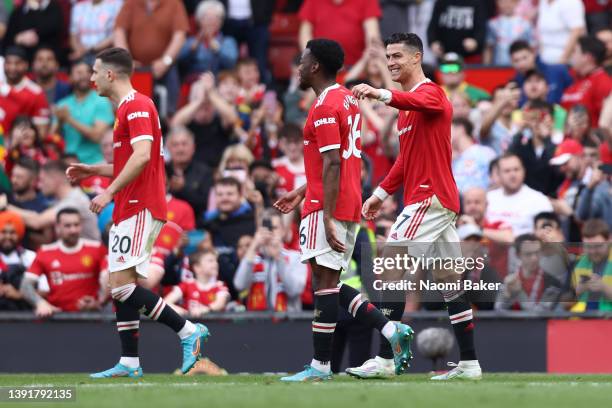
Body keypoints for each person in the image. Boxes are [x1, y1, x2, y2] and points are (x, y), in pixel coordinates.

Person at [274, 38, 412, 382]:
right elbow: (338, 160)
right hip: (345, 199)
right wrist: (301, 190)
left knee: (323, 283)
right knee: (329, 282)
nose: (299, 67)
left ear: (316, 66)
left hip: (329, 204)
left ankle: (320, 367)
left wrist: (325, 213)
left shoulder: (323, 106)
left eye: (303, 61)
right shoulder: (348, 99)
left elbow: (333, 162)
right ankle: (390, 330)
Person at [65, 47, 208, 378]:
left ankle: (188, 331)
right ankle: (129, 362)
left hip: (139, 204)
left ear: (110, 74)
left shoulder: (138, 106)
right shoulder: (126, 109)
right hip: (129, 204)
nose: (91, 78)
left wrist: (109, 190)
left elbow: (143, 156)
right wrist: (94, 171)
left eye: (95, 72)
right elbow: (130, 159)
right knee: (122, 285)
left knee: (121, 287)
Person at [351, 32, 481, 381]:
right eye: (388, 56)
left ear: (416, 57)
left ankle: (386, 359)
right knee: (450, 281)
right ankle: (469, 364)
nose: (391, 62)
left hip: (430, 197)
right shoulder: (408, 110)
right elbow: (404, 162)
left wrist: (378, 93)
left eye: (397, 56)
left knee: (390, 265)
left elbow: (419, 101)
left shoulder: (432, 93)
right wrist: (378, 195)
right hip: (433, 199)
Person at [19, 208, 108, 316]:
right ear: (57, 227)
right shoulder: (45, 252)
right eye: (67, 226)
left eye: (76, 225)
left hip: (90, 317)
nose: (73, 230)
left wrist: (99, 302)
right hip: (57, 318)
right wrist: (40, 303)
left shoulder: (97, 249)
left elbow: (109, 280)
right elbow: (25, 286)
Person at [114, 0, 189, 116]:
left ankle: (170, 121)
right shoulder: (131, 3)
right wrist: (126, 59)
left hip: (164, 66)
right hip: (134, 66)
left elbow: (180, 35)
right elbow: (119, 31)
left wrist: (166, 61)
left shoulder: (174, 4)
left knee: (171, 87)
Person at [8, 160, 101, 241]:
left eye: (42, 180)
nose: (39, 185)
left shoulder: (74, 201)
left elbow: (37, 222)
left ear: (55, 179)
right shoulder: (61, 199)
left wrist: (5, 206)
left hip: (89, 257)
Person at [234, 210, 307, 312]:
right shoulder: (252, 259)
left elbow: (294, 290)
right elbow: (239, 285)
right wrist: (254, 246)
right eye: (266, 228)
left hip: (288, 323)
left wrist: (279, 258)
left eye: (275, 228)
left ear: (282, 231)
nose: (271, 232)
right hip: (256, 323)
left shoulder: (295, 257)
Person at [53, 61, 115, 165]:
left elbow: (97, 136)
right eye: (79, 73)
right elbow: (52, 139)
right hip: (68, 163)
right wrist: (59, 121)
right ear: (69, 78)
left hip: (95, 163)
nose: (85, 76)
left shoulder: (101, 101)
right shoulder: (63, 104)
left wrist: (69, 119)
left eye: (88, 72)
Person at [298, 0, 382, 67]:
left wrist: (368, 61)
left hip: (357, 67)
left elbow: (372, 35)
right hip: (323, 68)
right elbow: (305, 34)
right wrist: (311, 60)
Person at [486, 153, 554, 237]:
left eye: (516, 169)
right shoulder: (488, 198)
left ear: (524, 171)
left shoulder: (539, 200)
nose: (512, 175)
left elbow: (549, 235)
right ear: (499, 175)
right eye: (507, 171)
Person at [509, 99, 563, 197]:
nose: (538, 123)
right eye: (534, 118)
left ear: (552, 120)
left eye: (542, 117)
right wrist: (521, 131)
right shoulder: (522, 146)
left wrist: (547, 139)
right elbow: (509, 158)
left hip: (551, 198)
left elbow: (556, 168)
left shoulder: (560, 144)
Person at [494, 234, 563, 311]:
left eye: (537, 253)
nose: (534, 258)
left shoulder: (553, 283)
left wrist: (519, 293)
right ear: (518, 255)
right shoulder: (508, 280)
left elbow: (540, 315)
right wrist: (506, 296)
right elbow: (498, 310)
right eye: (528, 254)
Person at [560, 35, 612, 128]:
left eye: (575, 52)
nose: (572, 56)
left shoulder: (604, 83)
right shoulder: (571, 77)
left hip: (588, 140)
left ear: (587, 57)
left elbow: (606, 123)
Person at [178, 0, 238, 77]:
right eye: (207, 18)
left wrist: (215, 46)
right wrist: (194, 46)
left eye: (215, 18)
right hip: (194, 82)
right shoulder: (190, 41)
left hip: (219, 83)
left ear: (221, 22)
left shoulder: (228, 41)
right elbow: (180, 61)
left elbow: (231, 63)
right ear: (199, 20)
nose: (211, 22)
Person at [165, 126, 214, 219]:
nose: (180, 149)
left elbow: (206, 204)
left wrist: (183, 189)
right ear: (167, 148)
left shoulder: (204, 172)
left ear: (193, 147)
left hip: (195, 226)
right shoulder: (161, 170)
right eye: (175, 145)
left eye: (184, 144)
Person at [1, 46, 50, 137]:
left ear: (26, 65)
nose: (12, 67)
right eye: (8, 63)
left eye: (17, 63)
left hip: (20, 149)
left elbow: (41, 133)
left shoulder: (36, 93)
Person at [165, 249, 230, 316]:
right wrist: (183, 312)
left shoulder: (220, 285)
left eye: (216, 261)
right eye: (210, 261)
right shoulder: (187, 284)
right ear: (197, 267)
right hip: (191, 324)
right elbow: (166, 303)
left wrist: (205, 309)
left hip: (214, 325)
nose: (216, 263)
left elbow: (220, 303)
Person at [509, 40, 573, 106]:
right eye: (516, 60)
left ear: (533, 53)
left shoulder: (558, 71)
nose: (521, 64)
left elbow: (575, 95)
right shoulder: (514, 84)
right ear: (511, 62)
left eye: (524, 58)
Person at [571, 219, 612, 312]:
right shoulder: (578, 262)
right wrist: (579, 289)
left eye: (598, 246)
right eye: (588, 247)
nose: (593, 252)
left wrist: (604, 287)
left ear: (609, 240)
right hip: (584, 319)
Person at [0, 211, 35, 310]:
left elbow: (45, 291)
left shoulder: (30, 257)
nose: (8, 237)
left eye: (12, 232)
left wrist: (19, 294)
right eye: (3, 232)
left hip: (25, 316)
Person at [451, 117, 495, 193]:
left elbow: (496, 180)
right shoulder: (452, 160)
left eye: (447, 129)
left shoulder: (485, 152)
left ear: (460, 129)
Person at [69, 0, 122, 64]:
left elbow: (117, 32)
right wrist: (78, 50)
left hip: (106, 53)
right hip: (81, 55)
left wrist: (93, 48)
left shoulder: (116, 4)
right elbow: (73, 34)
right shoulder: (78, 6)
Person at [484, 0, 534, 66]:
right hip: (498, 67)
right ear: (497, 3)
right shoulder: (492, 24)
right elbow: (489, 49)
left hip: (520, 68)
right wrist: (486, 67)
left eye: (510, 1)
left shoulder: (525, 24)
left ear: (516, 2)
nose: (507, 5)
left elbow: (531, 48)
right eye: (503, 2)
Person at [536, 0, 586, 65]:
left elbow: (577, 31)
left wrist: (562, 60)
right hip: (545, 59)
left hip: (565, 60)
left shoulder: (570, 2)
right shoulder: (543, 2)